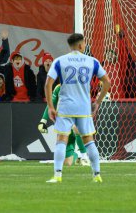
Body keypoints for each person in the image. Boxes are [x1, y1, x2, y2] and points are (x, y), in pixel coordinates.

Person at [44, 33, 110, 183]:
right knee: (89, 141)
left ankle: (57, 175)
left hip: (66, 106)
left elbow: (48, 84)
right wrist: (97, 102)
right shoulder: (92, 61)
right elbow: (107, 82)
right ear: (81, 45)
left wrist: (50, 106)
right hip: (83, 107)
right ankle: (97, 175)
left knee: (61, 140)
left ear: (70, 45)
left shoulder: (60, 61)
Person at [38, 84, 90, 166]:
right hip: (63, 126)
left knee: (76, 127)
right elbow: (51, 104)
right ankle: (77, 155)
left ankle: (83, 156)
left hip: (75, 121)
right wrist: (43, 121)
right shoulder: (58, 88)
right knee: (67, 163)